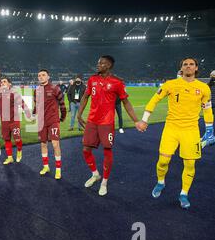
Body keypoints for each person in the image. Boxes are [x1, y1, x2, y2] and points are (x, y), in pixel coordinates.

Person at [140, 58, 214, 209]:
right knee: (163, 161)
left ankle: (184, 193)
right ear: (181, 69)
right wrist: (144, 119)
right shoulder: (170, 84)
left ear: (196, 68)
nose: (188, 66)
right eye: (185, 64)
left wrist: (210, 129)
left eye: (191, 64)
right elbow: (154, 100)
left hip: (191, 131)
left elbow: (207, 109)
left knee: (190, 163)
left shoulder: (204, 88)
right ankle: (161, 182)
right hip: (171, 129)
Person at [77, 55, 143, 196]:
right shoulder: (92, 79)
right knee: (85, 149)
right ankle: (95, 174)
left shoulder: (117, 82)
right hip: (92, 121)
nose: (98, 64)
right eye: (98, 62)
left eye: (101, 63)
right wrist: (79, 114)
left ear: (109, 65)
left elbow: (126, 102)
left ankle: (104, 182)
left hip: (106, 122)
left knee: (107, 151)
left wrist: (136, 120)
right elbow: (85, 97)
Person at [33, 69, 67, 180]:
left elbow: (62, 104)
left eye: (43, 75)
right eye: (39, 75)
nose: (41, 77)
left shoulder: (55, 88)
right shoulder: (36, 90)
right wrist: (34, 114)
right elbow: (36, 104)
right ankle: (46, 166)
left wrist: (62, 116)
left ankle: (58, 169)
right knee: (43, 144)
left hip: (53, 120)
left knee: (55, 144)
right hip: (41, 121)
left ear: (48, 76)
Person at [0, 77, 33, 164]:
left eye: (4, 81)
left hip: (14, 120)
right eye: (1, 82)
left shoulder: (14, 93)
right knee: (6, 139)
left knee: (17, 139)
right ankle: (10, 157)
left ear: (9, 84)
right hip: (4, 121)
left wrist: (29, 115)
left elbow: (23, 104)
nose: (2, 83)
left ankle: (19, 151)